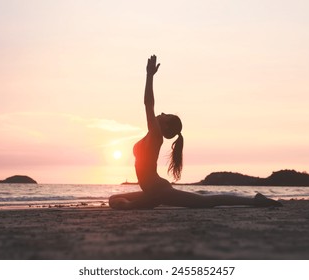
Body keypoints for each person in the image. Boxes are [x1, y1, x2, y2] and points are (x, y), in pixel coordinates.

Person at [109, 55, 282, 210]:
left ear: (166, 127)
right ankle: (139, 203)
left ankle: (254, 200)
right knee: (113, 199)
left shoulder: (155, 135)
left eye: (165, 115)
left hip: (158, 190)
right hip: (152, 190)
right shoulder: (151, 135)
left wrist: (149, 76)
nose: (161, 113)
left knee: (206, 202)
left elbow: (148, 104)